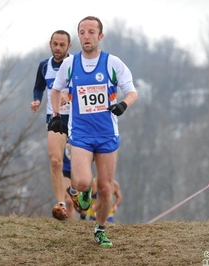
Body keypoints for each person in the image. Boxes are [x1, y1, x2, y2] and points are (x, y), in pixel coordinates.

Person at [50, 16, 138, 246]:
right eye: (82, 32)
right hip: (80, 134)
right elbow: (56, 90)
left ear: (100, 36)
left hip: (107, 134)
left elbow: (132, 92)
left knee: (105, 187)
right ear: (78, 36)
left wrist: (123, 105)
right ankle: (78, 192)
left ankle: (99, 230)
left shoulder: (112, 63)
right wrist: (57, 115)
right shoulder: (70, 64)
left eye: (91, 32)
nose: (86, 36)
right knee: (82, 183)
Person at [30, 30, 74, 220]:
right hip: (54, 116)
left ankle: (77, 191)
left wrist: (70, 95)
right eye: (55, 44)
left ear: (69, 47)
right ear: (50, 44)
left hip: (76, 118)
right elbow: (39, 86)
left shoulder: (76, 64)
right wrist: (37, 100)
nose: (57, 48)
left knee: (78, 164)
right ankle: (61, 204)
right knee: (55, 160)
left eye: (62, 45)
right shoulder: (44, 65)